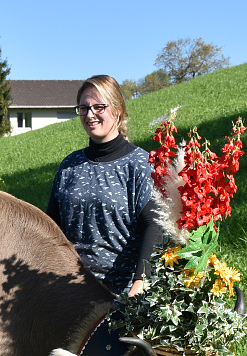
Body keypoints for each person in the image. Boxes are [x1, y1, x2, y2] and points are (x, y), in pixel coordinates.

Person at [46, 75, 161, 296]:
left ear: (117, 110)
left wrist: (141, 282)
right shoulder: (69, 165)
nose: (90, 115)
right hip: (71, 293)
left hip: (122, 294)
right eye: (83, 108)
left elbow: (154, 224)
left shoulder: (140, 164)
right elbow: (51, 227)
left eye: (99, 107)